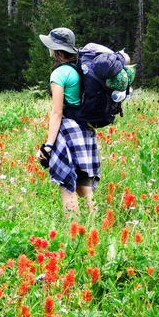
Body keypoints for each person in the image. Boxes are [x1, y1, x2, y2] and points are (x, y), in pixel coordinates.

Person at [36, 27, 99, 214]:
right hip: (85, 129)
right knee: (84, 187)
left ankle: (73, 231)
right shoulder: (81, 68)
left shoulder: (59, 73)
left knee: (66, 184)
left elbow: (56, 112)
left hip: (68, 131)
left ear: (55, 49)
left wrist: (47, 145)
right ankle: (95, 224)